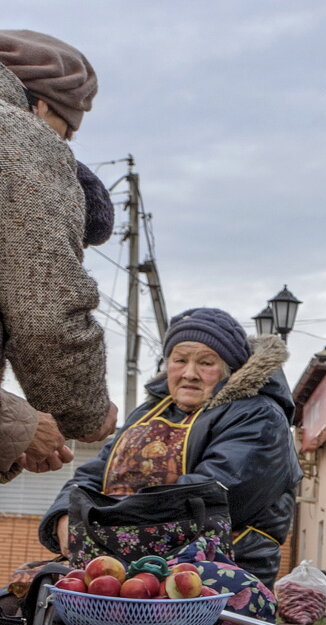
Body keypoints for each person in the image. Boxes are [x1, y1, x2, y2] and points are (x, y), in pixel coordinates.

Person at [39, 308, 303, 589]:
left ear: (230, 369)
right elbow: (96, 472)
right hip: (128, 566)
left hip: (217, 576)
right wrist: (65, 514)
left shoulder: (259, 416)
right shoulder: (147, 413)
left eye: (206, 363)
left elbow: (210, 494)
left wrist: (99, 524)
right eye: (180, 360)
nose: (190, 373)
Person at [0, 29, 118, 480]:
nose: (64, 149)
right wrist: (83, 412)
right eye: (66, 132)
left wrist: (16, 426)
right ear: (43, 106)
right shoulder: (18, 136)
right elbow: (46, 315)